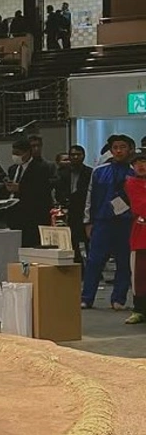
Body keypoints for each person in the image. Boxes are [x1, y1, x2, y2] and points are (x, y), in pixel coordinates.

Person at [82, 133, 137, 310]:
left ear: (130, 149)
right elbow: (90, 197)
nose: (119, 151)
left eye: (123, 147)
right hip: (102, 221)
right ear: (111, 150)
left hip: (127, 223)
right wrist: (88, 222)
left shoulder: (135, 172)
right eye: (115, 147)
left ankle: (118, 299)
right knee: (94, 261)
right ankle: (87, 297)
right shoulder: (99, 171)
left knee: (124, 262)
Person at [7, 136, 56, 248]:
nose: (15, 156)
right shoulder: (13, 169)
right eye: (14, 153)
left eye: (18, 153)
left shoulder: (42, 168)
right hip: (16, 214)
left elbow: (43, 190)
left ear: (27, 152)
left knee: (32, 245)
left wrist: (21, 188)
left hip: (34, 215)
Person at [55, 144, 92, 262]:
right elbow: (58, 190)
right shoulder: (62, 172)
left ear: (83, 156)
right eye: (73, 155)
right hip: (68, 211)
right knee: (71, 241)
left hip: (84, 210)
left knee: (88, 241)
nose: (75, 157)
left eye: (78, 154)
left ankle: (91, 266)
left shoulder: (90, 172)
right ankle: (77, 264)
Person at [125, 148, 146, 325]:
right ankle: (138, 310)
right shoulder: (131, 183)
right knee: (139, 275)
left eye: (144, 162)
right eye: (136, 163)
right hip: (141, 236)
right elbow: (140, 207)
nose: (140, 166)